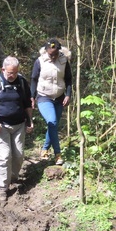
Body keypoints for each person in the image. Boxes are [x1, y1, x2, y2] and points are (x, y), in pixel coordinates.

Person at [0, 56, 34, 201]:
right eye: (10, 73)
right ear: (3, 69)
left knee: (19, 155)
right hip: (0, 125)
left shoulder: (21, 82)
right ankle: (2, 188)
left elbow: (27, 103)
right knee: (4, 156)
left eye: (15, 72)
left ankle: (13, 177)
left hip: (19, 124)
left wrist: (30, 121)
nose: (13, 76)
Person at [29, 38, 72, 166]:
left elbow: (69, 79)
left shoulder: (64, 61)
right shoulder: (40, 61)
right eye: (50, 54)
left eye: (55, 54)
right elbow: (33, 79)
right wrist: (32, 96)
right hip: (44, 96)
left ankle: (44, 150)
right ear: (46, 51)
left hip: (59, 97)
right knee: (52, 121)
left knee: (53, 125)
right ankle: (57, 154)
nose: (52, 56)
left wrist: (68, 95)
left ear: (59, 51)